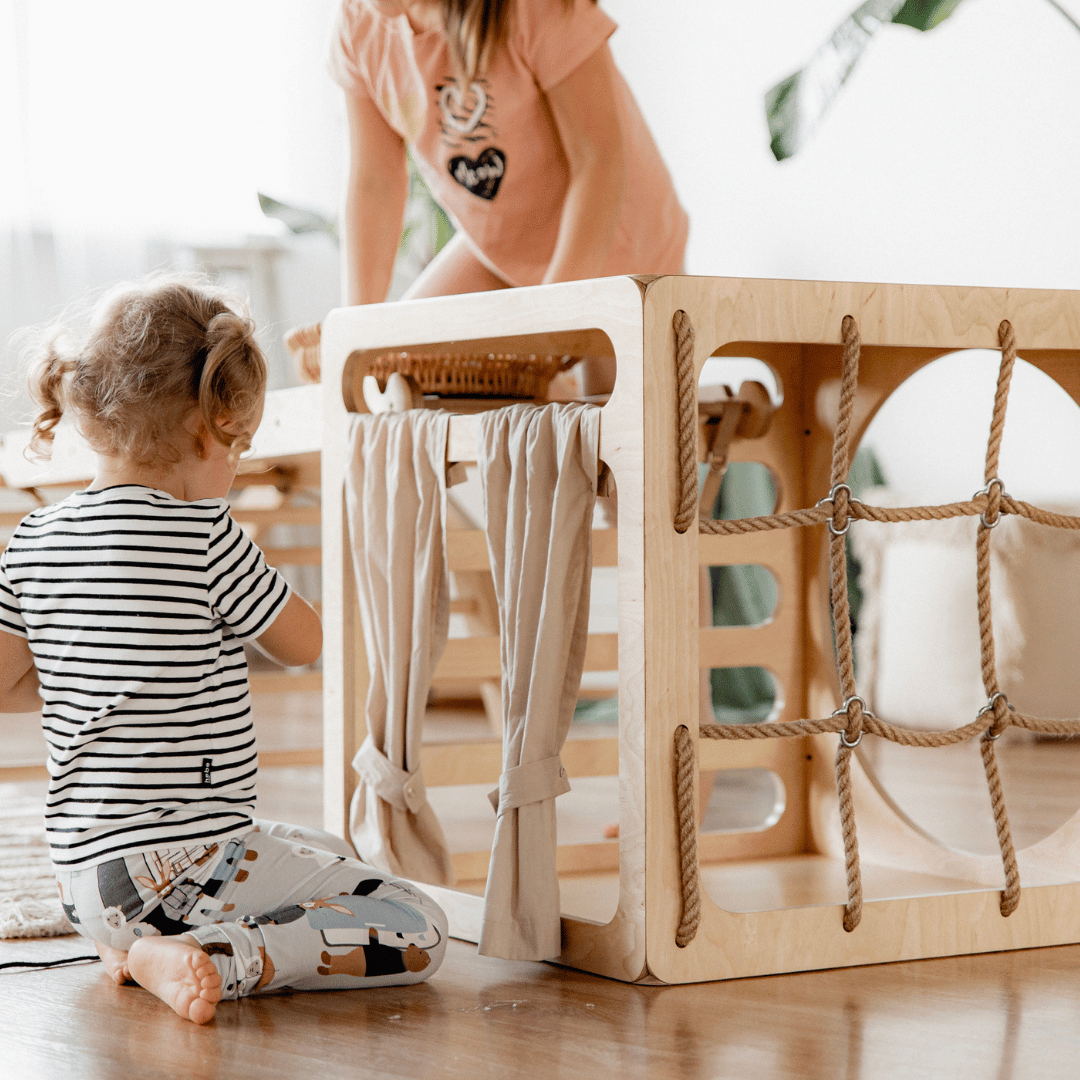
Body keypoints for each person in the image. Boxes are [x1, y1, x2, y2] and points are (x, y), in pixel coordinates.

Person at [0, 276, 447, 1025]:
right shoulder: (207, 536)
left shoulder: (32, 539)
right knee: (415, 922)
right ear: (208, 432)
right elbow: (302, 642)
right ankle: (218, 958)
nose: (235, 465)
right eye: (238, 446)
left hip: (85, 883)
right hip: (180, 868)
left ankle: (135, 946)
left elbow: (8, 684)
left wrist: (103, 669)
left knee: (324, 846)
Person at [306, 0, 688, 390]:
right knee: (399, 371)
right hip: (500, 250)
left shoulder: (532, 8)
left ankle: (560, 388)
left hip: (620, 245)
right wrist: (352, 332)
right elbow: (375, 184)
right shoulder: (359, 24)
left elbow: (599, 160)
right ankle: (552, 390)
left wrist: (550, 315)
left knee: (614, 433)